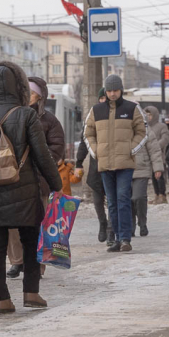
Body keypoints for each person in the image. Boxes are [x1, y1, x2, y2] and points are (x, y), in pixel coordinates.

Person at [0, 62, 62, 315]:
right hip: (24, 190)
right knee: (30, 241)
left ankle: (1, 300)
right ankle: (31, 292)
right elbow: (43, 156)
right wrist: (56, 185)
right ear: (18, 86)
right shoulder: (27, 115)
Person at [7, 76, 65, 279]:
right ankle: (17, 261)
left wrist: (40, 161)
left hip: (39, 180)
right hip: (15, 178)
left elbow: (57, 148)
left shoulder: (49, 120)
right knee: (12, 224)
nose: (28, 96)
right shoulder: (12, 115)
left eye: (32, 93)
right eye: (25, 92)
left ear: (40, 97)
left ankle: (38, 264)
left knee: (39, 224)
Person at [84, 74, 147, 252]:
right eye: (109, 90)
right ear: (106, 90)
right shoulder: (96, 110)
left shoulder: (132, 108)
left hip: (125, 163)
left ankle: (125, 238)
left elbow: (142, 132)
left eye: (115, 90)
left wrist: (131, 149)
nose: (112, 94)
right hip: (104, 164)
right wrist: (96, 151)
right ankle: (117, 238)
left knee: (123, 199)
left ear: (121, 90)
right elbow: (88, 133)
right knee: (111, 202)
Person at [75, 89, 111, 244]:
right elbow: (85, 141)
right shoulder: (93, 116)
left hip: (113, 165)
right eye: (101, 97)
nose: (103, 100)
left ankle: (111, 231)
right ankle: (103, 223)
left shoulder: (115, 114)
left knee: (113, 201)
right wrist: (78, 162)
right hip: (96, 166)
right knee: (97, 200)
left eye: (105, 97)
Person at [131, 127, 164, 237]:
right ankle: (130, 226)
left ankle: (142, 222)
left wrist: (157, 167)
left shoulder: (145, 129)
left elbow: (154, 149)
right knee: (127, 200)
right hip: (124, 169)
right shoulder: (120, 125)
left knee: (138, 197)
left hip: (142, 169)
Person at [143, 106, 169, 205]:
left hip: (159, 155)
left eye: (150, 115)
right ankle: (156, 195)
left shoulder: (162, 126)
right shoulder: (145, 127)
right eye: (146, 115)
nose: (148, 117)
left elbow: (165, 139)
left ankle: (163, 195)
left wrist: (155, 146)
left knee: (159, 176)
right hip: (148, 157)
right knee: (153, 177)